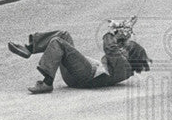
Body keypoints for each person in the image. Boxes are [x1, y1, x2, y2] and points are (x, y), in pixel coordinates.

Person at [8, 19, 151, 93]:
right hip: (82, 73)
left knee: (58, 42)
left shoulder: (124, 68)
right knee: (64, 35)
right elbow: (115, 47)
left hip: (84, 76)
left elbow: (110, 48)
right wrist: (123, 31)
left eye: (126, 48)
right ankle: (29, 48)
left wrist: (112, 32)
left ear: (131, 57)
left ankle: (47, 82)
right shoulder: (123, 63)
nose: (123, 47)